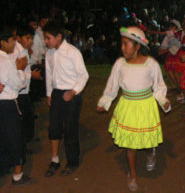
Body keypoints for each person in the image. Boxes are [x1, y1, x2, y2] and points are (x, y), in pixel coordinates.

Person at [97, 26, 170, 191]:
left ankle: (151, 152)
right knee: (131, 144)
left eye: (126, 44)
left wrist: (162, 100)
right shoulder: (119, 64)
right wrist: (105, 101)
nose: (123, 48)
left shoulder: (151, 64)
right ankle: (133, 174)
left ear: (137, 46)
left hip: (146, 106)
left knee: (146, 139)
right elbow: (112, 86)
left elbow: (159, 85)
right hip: (128, 106)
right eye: (121, 44)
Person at [44, 22, 89, 177]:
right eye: (45, 38)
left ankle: (72, 161)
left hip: (72, 94)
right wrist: (49, 93)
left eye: (49, 38)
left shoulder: (72, 52)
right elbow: (49, 74)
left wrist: (74, 91)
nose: (46, 41)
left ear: (59, 37)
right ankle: (55, 160)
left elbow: (83, 75)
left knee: (70, 130)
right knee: (54, 128)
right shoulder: (49, 53)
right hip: (57, 94)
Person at [0, 26, 32, 185]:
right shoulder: (5, 61)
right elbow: (18, 84)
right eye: (12, 40)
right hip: (6, 105)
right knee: (14, 138)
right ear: (3, 42)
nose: (14, 42)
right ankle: (18, 175)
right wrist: (19, 69)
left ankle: (4, 167)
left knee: (3, 138)